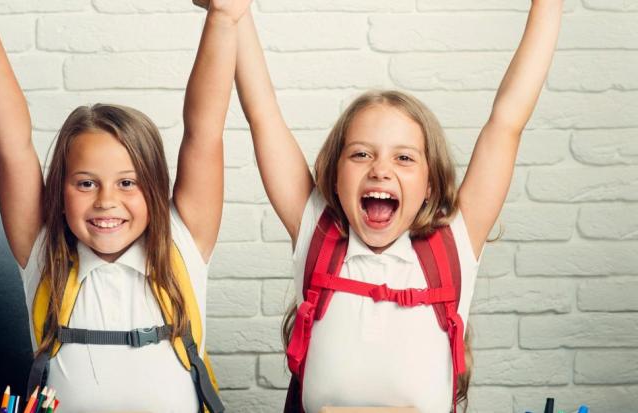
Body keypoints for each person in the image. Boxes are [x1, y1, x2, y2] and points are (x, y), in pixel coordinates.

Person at [216, 0, 563, 411]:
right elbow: (263, 114)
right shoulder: (316, 231)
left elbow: (507, 122)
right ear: (334, 175)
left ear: (431, 184)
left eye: (404, 158)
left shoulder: (454, 241)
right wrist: (233, 12)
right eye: (361, 154)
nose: (380, 170)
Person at [0, 0, 252, 411]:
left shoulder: (183, 244)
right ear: (59, 192)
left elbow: (204, 133)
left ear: (155, 189)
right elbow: (13, 145)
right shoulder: (44, 256)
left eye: (127, 183)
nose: (106, 200)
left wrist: (221, 16)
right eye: (85, 183)